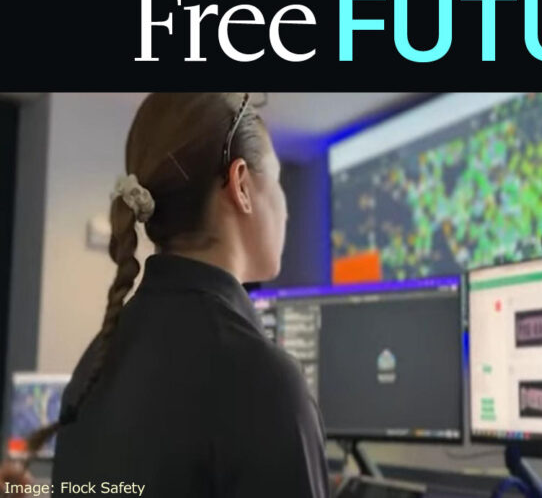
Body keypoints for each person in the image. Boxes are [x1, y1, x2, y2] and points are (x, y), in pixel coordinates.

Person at [1, 93, 329, 497]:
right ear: (241, 184)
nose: (287, 209)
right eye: (276, 182)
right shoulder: (265, 383)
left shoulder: (95, 365)